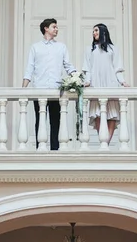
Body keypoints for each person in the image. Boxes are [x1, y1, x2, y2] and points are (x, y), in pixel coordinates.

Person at [23, 18, 77, 150]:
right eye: (54, 26)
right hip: (39, 90)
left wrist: (77, 78)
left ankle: (55, 150)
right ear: (46, 28)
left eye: (56, 27)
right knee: (39, 120)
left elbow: (68, 66)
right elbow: (29, 68)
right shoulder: (35, 47)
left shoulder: (61, 47)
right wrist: (22, 89)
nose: (56, 29)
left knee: (55, 121)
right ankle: (39, 149)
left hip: (55, 90)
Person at [82, 23, 129, 144]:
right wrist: (87, 81)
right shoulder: (90, 49)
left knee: (112, 113)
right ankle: (103, 141)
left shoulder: (113, 49)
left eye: (96, 30)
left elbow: (117, 67)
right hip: (96, 83)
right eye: (93, 31)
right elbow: (87, 68)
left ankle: (106, 141)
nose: (94, 33)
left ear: (103, 31)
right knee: (97, 112)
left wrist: (122, 81)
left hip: (110, 82)